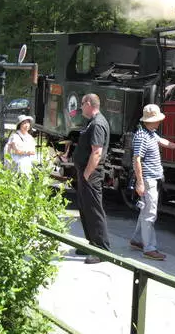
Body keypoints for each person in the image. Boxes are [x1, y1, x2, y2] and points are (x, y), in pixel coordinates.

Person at [130, 104, 175, 261]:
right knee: (150, 213)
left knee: (145, 211)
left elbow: (162, 141)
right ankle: (149, 248)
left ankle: (137, 240)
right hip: (148, 180)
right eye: (157, 120)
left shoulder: (150, 133)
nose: (160, 122)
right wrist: (140, 182)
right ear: (151, 121)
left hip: (150, 179)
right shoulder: (142, 136)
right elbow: (136, 159)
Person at [72, 93, 111, 264]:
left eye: (82, 104)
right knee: (85, 208)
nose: (80, 107)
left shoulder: (98, 124)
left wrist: (87, 174)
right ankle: (92, 244)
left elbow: (97, 152)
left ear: (89, 103)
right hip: (85, 173)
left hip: (91, 175)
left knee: (94, 210)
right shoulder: (91, 123)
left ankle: (102, 250)